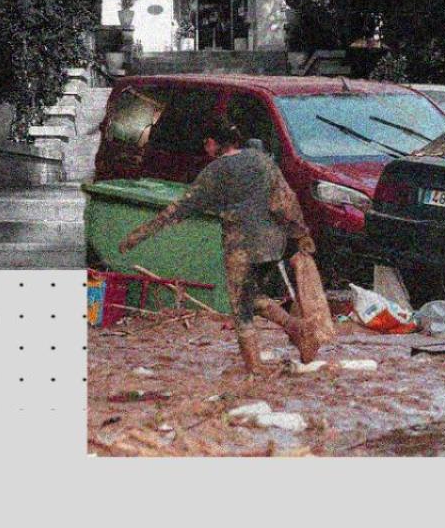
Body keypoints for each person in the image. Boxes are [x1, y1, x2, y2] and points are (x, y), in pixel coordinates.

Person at [119, 120, 322, 370]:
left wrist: (138, 235)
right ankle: (296, 330)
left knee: (241, 306)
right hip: (273, 244)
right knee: (250, 297)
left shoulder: (215, 171)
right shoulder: (262, 161)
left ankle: (258, 364)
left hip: (242, 247)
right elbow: (285, 200)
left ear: (213, 143)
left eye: (207, 143)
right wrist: (301, 234)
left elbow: (180, 209)